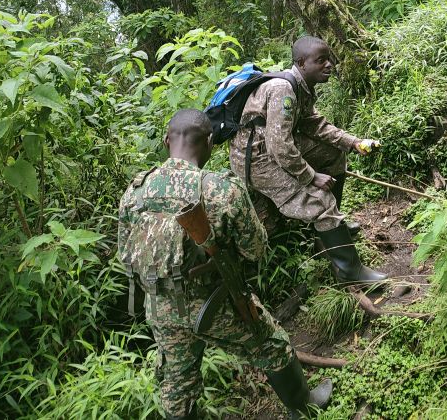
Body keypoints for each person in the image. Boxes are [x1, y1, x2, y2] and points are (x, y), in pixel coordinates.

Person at [117, 109, 332, 419]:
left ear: (166, 142)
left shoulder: (134, 193)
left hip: (159, 305)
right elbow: (256, 250)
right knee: (270, 344)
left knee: (177, 381)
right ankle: (304, 406)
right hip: (215, 305)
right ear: (209, 141)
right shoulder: (219, 189)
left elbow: (126, 252)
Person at [229, 36, 387, 285]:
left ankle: (327, 232)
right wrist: (311, 176)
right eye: (321, 60)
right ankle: (350, 272)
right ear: (301, 63)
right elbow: (279, 147)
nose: (329, 65)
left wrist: (353, 142)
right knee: (319, 200)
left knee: (333, 153)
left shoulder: (300, 86)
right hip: (256, 160)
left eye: (329, 59)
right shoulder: (284, 90)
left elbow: (314, 124)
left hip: (269, 147)